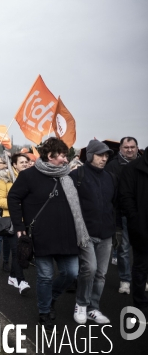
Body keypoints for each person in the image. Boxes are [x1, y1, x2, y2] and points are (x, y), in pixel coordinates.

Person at [8, 137, 87, 331]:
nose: (65, 160)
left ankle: (50, 297)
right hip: (41, 236)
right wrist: (19, 227)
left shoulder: (68, 176)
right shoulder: (29, 176)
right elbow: (13, 197)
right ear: (50, 156)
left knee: (71, 273)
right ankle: (44, 311)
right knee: (44, 276)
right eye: (61, 156)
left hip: (67, 235)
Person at [69, 139, 116, 324]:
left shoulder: (111, 177)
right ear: (90, 156)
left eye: (106, 155)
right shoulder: (77, 175)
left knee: (101, 274)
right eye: (100, 155)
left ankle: (93, 308)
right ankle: (81, 304)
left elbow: (114, 204)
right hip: (85, 233)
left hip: (106, 233)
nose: (104, 159)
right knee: (89, 269)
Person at [106, 137, 141, 295]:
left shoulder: (143, 163)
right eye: (126, 147)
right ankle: (125, 280)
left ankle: (142, 278)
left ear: (137, 147)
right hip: (123, 213)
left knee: (142, 248)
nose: (129, 150)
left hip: (143, 213)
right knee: (124, 249)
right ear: (120, 148)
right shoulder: (113, 166)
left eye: (132, 147)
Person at [0, 153, 32, 295]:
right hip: (10, 220)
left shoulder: (31, 179)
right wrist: (16, 204)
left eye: (27, 162)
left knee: (25, 251)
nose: (25, 164)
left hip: (27, 221)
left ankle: (12, 276)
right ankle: (21, 281)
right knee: (17, 250)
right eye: (22, 162)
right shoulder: (5, 179)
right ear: (14, 164)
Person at [119, 144, 148, 320]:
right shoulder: (132, 169)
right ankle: (140, 304)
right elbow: (126, 197)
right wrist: (135, 220)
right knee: (141, 266)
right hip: (142, 226)